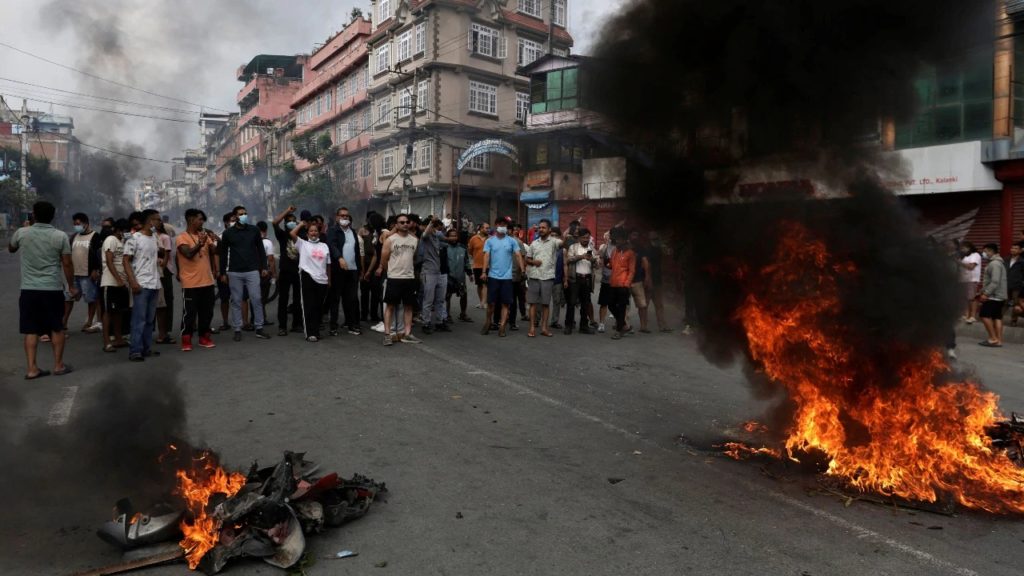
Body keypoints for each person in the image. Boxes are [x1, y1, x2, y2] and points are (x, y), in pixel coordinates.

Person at [9, 201, 77, 378]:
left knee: (30, 329)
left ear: (33, 215)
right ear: (52, 216)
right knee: (56, 327)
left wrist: (26, 227)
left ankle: (32, 369)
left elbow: (11, 248)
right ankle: (58, 365)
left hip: (29, 289)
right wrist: (71, 285)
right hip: (52, 288)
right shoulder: (60, 236)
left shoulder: (22, 233)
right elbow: (67, 264)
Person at [219, 205, 271, 341]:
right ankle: (237, 329)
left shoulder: (254, 230)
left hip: (252, 270)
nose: (244, 216)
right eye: (241, 214)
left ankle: (259, 327)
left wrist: (264, 267)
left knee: (256, 298)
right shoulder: (228, 233)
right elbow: (223, 254)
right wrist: (222, 272)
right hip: (234, 272)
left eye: (245, 213)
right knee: (236, 301)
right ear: (235, 216)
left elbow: (260, 250)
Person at [123, 209, 163, 362]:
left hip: (154, 283)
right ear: (150, 221)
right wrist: (133, 282)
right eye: (157, 219)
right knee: (138, 319)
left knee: (149, 320)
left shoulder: (154, 237)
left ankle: (146, 348)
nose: (159, 222)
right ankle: (135, 350)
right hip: (141, 283)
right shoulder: (135, 238)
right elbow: (126, 260)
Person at [176, 209, 217, 351]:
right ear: (191, 220)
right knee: (190, 313)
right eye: (199, 219)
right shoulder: (182, 237)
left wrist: (217, 238)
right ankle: (186, 339)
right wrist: (200, 243)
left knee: (207, 312)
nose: (202, 222)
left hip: (207, 281)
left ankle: (204, 337)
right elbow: (187, 254)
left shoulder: (205, 236)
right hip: (190, 283)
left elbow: (216, 251)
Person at [377, 214, 421, 345]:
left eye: (407, 222)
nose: (405, 224)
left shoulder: (414, 240)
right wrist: (391, 271)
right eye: (401, 222)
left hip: (409, 278)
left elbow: (413, 258)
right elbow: (384, 260)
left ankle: (407, 334)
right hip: (394, 278)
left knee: (408, 306)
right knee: (390, 306)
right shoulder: (390, 240)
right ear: (396, 225)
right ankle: (387, 335)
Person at [481, 218, 524, 337]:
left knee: (506, 303)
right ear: (495, 226)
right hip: (493, 276)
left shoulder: (512, 241)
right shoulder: (490, 241)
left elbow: (518, 255)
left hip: (507, 278)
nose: (502, 226)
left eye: (504, 225)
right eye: (500, 224)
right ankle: (488, 321)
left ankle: (502, 327)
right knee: (491, 304)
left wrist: (523, 270)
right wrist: (484, 271)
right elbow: (486, 256)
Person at [290, 219, 331, 342]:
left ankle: (316, 331)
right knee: (309, 305)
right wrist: (302, 224)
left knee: (319, 307)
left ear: (319, 233)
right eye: (311, 231)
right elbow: (292, 234)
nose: (313, 233)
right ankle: (310, 333)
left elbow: (328, 264)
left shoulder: (324, 246)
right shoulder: (302, 244)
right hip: (307, 277)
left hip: (322, 279)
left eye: (316, 231)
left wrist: (329, 279)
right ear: (307, 233)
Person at [326, 207, 363, 336]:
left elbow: (357, 252)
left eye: (346, 216)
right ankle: (333, 326)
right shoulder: (332, 231)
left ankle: (352, 325)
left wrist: (360, 269)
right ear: (337, 217)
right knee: (335, 299)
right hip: (338, 270)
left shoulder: (353, 232)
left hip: (352, 270)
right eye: (342, 216)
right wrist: (340, 258)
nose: (344, 218)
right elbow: (332, 245)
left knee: (352, 299)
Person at [66, 212, 103, 334]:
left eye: (78, 224)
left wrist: (96, 270)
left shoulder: (95, 236)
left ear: (86, 223)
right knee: (68, 297)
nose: (76, 226)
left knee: (90, 299)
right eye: (74, 224)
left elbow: (99, 255)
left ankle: (89, 322)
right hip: (74, 274)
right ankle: (63, 322)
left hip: (87, 275)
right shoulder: (74, 236)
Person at [524, 219, 562, 338]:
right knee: (533, 303)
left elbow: (563, 244)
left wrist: (567, 235)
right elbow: (527, 259)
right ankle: (532, 328)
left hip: (548, 277)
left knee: (546, 304)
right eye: (539, 228)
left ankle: (544, 328)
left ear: (549, 230)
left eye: (543, 227)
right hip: (534, 276)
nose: (541, 229)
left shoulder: (554, 242)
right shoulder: (534, 243)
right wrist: (533, 262)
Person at [100, 219, 131, 353]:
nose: (127, 233)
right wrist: (118, 279)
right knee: (108, 312)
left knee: (118, 312)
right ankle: (107, 342)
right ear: (119, 230)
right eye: (125, 231)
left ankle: (118, 339)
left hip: (122, 282)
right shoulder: (111, 240)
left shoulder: (122, 242)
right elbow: (109, 260)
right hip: (110, 281)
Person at [272, 206, 302, 336]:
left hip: (298, 271)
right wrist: (287, 211)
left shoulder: (300, 236)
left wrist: (301, 224)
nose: (292, 222)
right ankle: (282, 326)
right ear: (285, 223)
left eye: (294, 220)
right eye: (289, 220)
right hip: (285, 270)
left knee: (297, 299)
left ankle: (297, 324)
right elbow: (274, 223)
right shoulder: (282, 235)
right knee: (283, 299)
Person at [418, 215, 449, 334]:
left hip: (440, 273)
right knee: (428, 300)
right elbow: (425, 233)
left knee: (440, 300)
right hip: (429, 272)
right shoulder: (425, 238)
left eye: (436, 228)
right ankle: (426, 323)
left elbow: (446, 240)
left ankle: (439, 322)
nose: (435, 230)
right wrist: (431, 222)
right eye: (433, 227)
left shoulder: (437, 238)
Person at [564, 227, 595, 335]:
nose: (586, 240)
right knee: (571, 303)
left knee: (585, 303)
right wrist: (581, 256)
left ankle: (584, 326)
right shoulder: (573, 247)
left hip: (586, 279)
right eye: (584, 238)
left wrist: (592, 259)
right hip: (575, 278)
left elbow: (596, 265)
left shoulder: (591, 248)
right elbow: (568, 260)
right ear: (579, 238)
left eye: (587, 237)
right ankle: (568, 325)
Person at [607, 227, 636, 340]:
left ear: (624, 240)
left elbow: (632, 270)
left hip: (623, 284)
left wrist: (627, 284)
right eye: (616, 239)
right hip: (613, 282)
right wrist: (607, 264)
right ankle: (624, 325)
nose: (617, 241)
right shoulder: (615, 251)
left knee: (622, 308)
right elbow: (612, 265)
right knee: (611, 305)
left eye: (619, 239)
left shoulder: (630, 253)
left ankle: (619, 330)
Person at [978, 243, 1007, 347]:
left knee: (984, 315)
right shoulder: (998, 263)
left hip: (994, 295)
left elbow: (995, 281)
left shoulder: (994, 264)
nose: (984, 253)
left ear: (990, 251)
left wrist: (986, 293)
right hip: (999, 295)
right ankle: (998, 340)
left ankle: (993, 338)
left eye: (985, 251)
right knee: (997, 317)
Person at [154, 220, 176, 345]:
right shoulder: (143, 236)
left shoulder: (164, 237)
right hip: (150, 271)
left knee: (166, 301)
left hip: (164, 270)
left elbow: (167, 254)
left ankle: (165, 332)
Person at [446, 228, 473, 323]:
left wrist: (470, 273)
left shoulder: (462, 248)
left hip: (460, 277)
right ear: (447, 237)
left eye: (455, 235)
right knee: (447, 297)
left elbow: (466, 261)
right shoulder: (444, 248)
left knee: (463, 295)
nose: (453, 237)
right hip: (448, 277)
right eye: (451, 236)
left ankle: (463, 314)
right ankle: (447, 315)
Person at [647, 231, 672, 333]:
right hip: (649, 279)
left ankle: (662, 325)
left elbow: (669, 253)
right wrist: (648, 278)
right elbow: (647, 265)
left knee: (659, 304)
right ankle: (644, 326)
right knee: (645, 304)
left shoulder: (660, 247)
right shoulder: (648, 249)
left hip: (657, 279)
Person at [629, 230, 653, 334]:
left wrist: (647, 277)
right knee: (623, 304)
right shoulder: (624, 247)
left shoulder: (640, 248)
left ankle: (643, 326)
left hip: (637, 280)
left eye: (637, 235)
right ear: (629, 235)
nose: (635, 237)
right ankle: (622, 324)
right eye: (634, 234)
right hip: (625, 280)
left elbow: (646, 263)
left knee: (642, 305)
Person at [256, 221, 277, 328]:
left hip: (254, 272)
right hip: (265, 273)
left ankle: (255, 318)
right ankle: (262, 319)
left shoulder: (253, 241)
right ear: (266, 230)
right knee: (263, 297)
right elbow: (271, 260)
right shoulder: (267, 242)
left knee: (255, 297)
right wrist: (274, 275)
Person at [468, 222, 490, 308]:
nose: (488, 230)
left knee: (485, 284)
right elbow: (470, 251)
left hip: (488, 266)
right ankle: (481, 302)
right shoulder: (473, 239)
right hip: (477, 265)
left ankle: (484, 303)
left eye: (488, 228)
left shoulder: (491, 239)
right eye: (486, 228)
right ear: (480, 229)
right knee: (479, 284)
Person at [959, 241, 982, 323]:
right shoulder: (964, 256)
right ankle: (966, 315)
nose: (962, 249)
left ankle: (973, 316)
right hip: (963, 279)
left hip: (972, 279)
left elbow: (971, 267)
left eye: (963, 247)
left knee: (972, 298)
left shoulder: (975, 255)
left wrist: (959, 262)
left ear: (969, 247)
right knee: (965, 298)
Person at [1007, 241, 1023, 327]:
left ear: (1020, 250)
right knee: (1003, 302)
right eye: (1012, 248)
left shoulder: (1022, 261)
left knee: (1016, 303)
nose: (1013, 250)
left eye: (1016, 248)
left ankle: (1014, 320)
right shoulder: (1006, 259)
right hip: (1005, 285)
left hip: (1017, 286)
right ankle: (999, 319)